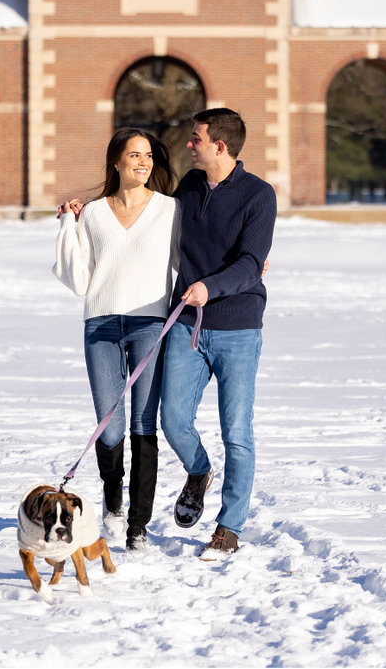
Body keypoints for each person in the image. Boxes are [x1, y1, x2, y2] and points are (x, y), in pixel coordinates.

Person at [52, 127, 181, 551]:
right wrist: (69, 224)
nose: (143, 163)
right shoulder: (91, 213)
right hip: (101, 325)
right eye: (134, 155)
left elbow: (192, 257)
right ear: (116, 162)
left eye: (148, 156)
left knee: (144, 424)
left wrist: (246, 261)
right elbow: (79, 278)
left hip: (149, 324)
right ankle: (113, 499)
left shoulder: (170, 210)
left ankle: (138, 525)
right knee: (110, 427)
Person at [159, 107, 276, 561]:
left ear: (219, 146)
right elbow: (144, 213)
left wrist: (211, 286)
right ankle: (199, 471)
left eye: (195, 138)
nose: (189, 144)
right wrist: (83, 207)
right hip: (186, 324)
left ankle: (228, 527)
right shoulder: (188, 187)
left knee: (237, 432)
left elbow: (250, 263)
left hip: (238, 328)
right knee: (173, 421)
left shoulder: (258, 195)